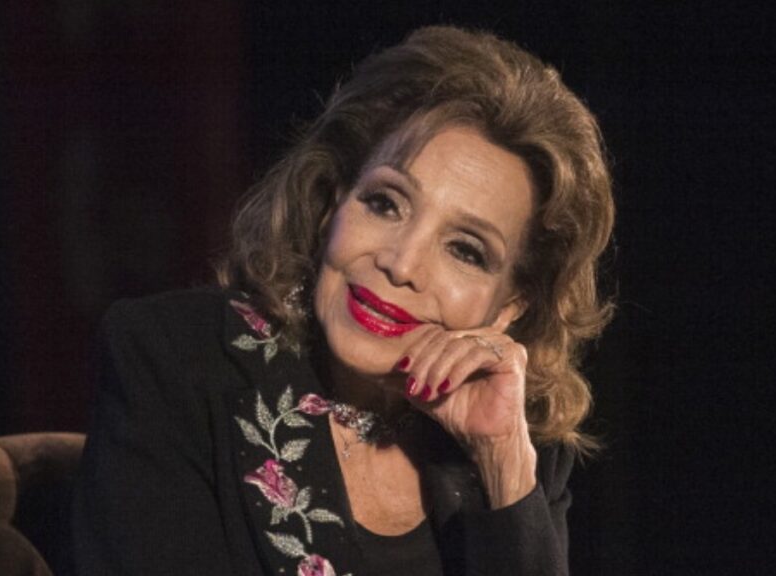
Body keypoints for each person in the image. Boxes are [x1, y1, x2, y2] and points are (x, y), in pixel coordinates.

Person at [73, 25, 614, 576]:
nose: (401, 264)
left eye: (465, 251)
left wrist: (502, 462)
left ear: (510, 307)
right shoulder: (175, 358)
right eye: (385, 203)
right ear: (332, 202)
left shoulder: (521, 451)